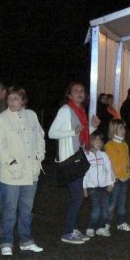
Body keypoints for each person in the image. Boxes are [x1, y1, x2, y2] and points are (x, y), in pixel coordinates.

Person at [0, 85, 45, 256]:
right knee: (9, 209)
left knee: (27, 209)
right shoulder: (1, 120)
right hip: (11, 173)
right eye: (10, 98)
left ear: (23, 100)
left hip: (31, 172)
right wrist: (11, 161)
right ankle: (6, 241)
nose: (12, 101)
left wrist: (39, 155)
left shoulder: (32, 116)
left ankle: (25, 240)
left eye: (16, 98)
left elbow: (40, 136)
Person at [48, 82, 94, 245]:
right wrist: (71, 132)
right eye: (76, 91)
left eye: (82, 91)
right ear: (69, 95)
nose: (80, 93)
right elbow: (52, 133)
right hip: (70, 159)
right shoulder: (66, 110)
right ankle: (68, 231)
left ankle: (73, 228)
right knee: (77, 196)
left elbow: (81, 134)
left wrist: (92, 126)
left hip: (78, 157)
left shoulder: (81, 111)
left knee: (77, 196)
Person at [82, 131, 114, 238]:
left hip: (104, 187)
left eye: (100, 140)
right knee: (96, 209)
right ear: (90, 141)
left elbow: (109, 169)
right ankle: (91, 227)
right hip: (92, 188)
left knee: (105, 208)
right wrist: (84, 188)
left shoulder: (104, 155)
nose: (99, 142)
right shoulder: (86, 156)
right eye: (96, 140)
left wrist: (110, 183)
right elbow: (84, 174)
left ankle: (101, 227)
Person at [104, 119, 130, 232]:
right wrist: (112, 179)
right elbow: (108, 164)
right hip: (114, 180)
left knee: (122, 203)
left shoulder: (125, 145)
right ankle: (106, 225)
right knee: (111, 204)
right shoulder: (109, 145)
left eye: (124, 128)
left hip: (124, 179)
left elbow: (127, 160)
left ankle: (121, 222)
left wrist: (128, 172)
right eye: (121, 128)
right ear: (114, 129)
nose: (124, 130)